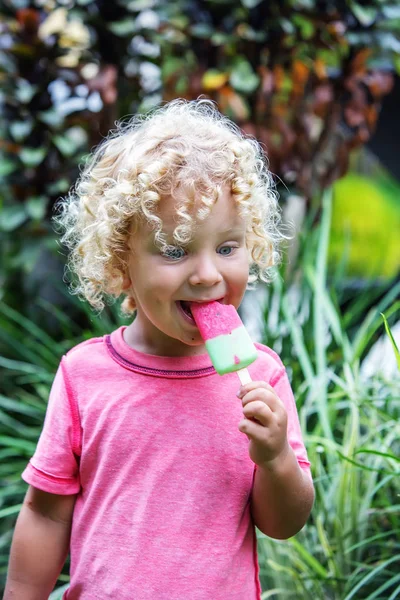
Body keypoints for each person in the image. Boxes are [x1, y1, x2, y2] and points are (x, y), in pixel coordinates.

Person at [4, 99, 314, 600]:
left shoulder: (261, 376)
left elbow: (283, 524)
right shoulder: (85, 375)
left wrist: (275, 457)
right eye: (176, 250)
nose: (208, 273)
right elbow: (45, 511)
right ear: (122, 261)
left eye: (227, 247)